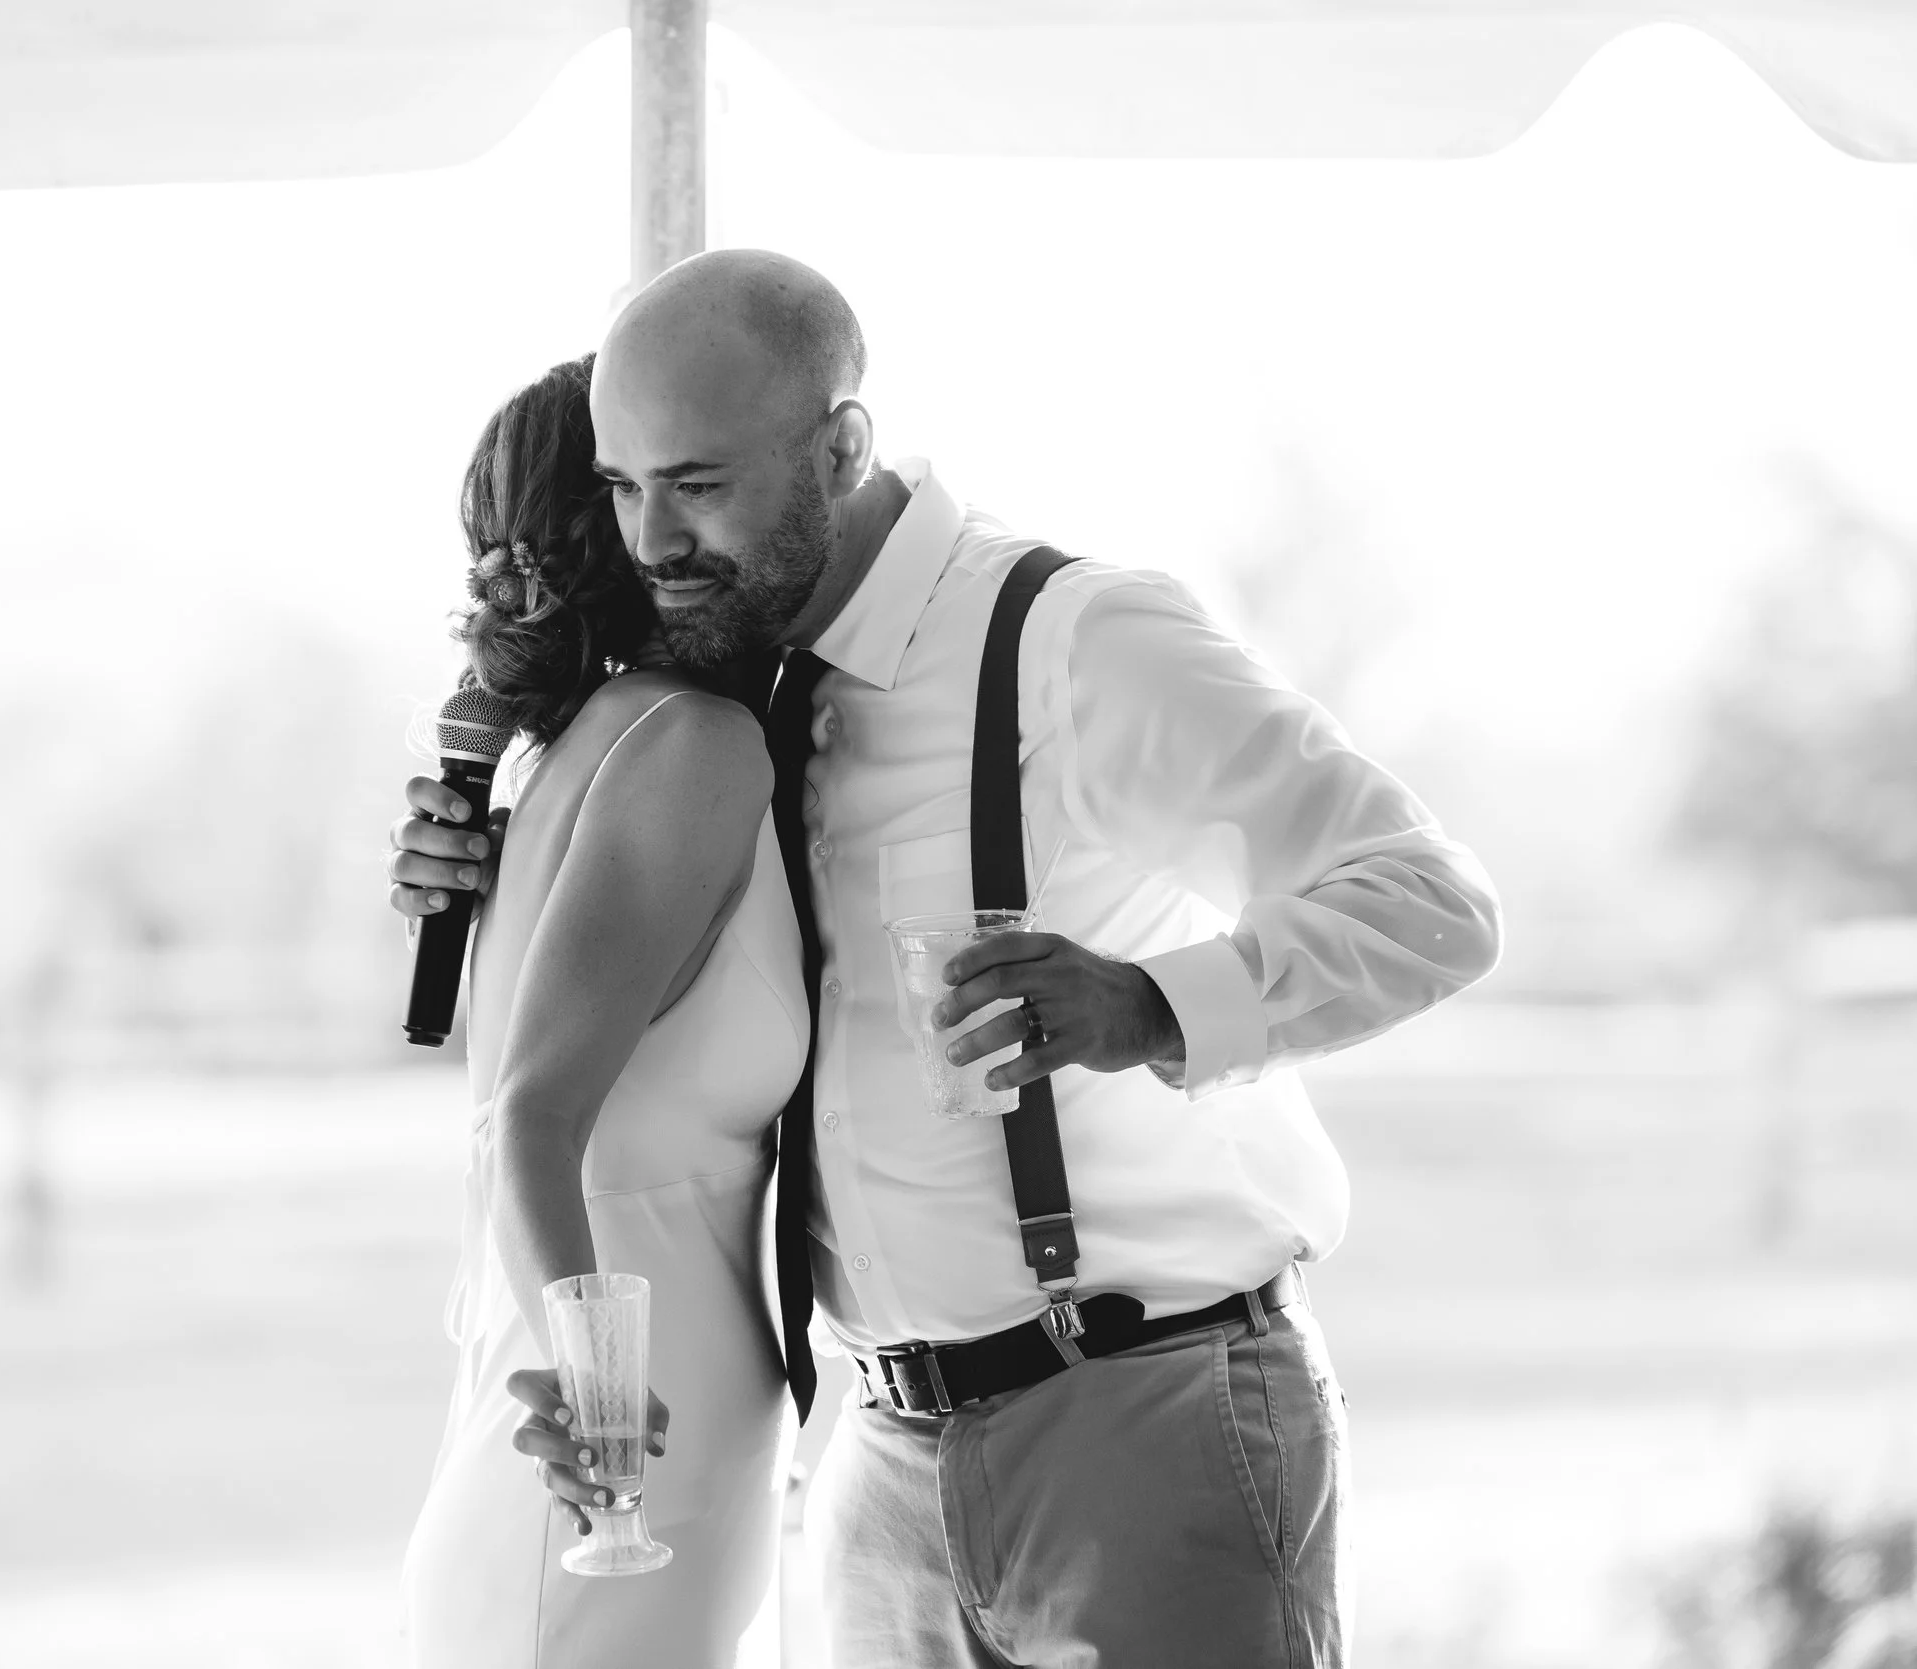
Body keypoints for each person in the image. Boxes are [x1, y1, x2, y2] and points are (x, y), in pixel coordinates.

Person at [391, 250, 1503, 1666]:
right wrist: (465, 850)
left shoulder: (1072, 639)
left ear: (840, 445)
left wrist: (1147, 1004)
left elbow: (1429, 900)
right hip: (877, 1453)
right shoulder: (737, 688)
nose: (653, 540)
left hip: (1142, 1413)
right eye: (622, 489)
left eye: (701, 483)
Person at [399, 354, 806, 1667]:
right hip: (614, 1475)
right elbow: (529, 1117)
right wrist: (596, 1409)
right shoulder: (688, 746)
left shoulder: (572, 750)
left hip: (657, 1459)